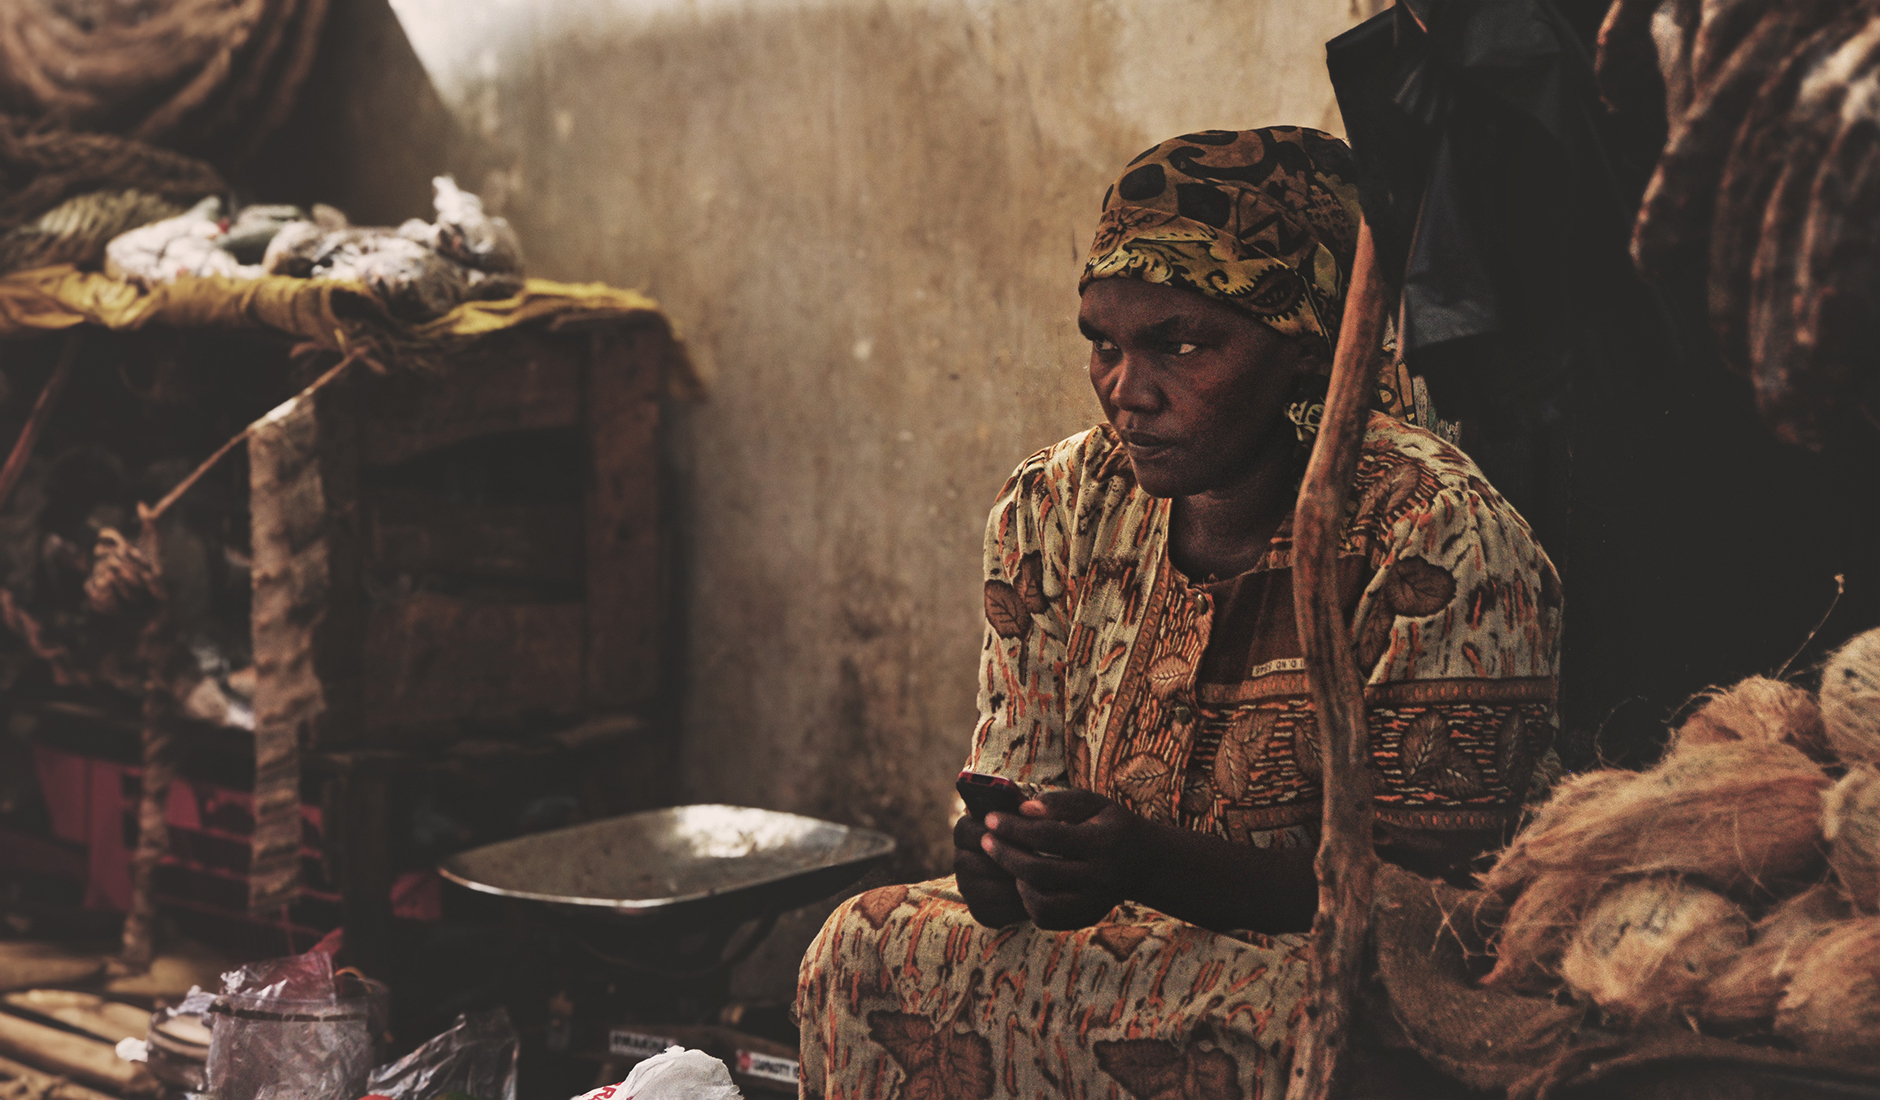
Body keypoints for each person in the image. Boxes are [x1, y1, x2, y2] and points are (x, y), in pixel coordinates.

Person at [795, 127, 1561, 1100]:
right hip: (1125, 949)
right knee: (863, 949)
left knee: (1308, 1031)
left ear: (1298, 347)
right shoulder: (1054, 507)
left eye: (1179, 344)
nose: (1126, 389)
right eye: (1102, 346)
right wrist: (1006, 857)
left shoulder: (1433, 533)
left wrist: (1149, 863)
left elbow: (1441, 918)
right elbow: (1017, 774)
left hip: (1338, 978)